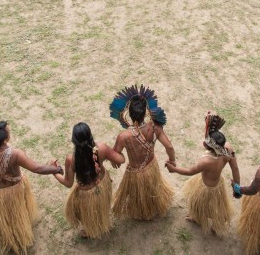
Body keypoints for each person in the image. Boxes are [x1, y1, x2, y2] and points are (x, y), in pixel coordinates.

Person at [0, 121, 63, 255]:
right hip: (15, 190)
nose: (9, 130)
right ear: (6, 138)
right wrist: (57, 169)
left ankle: (6, 236)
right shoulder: (15, 154)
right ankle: (18, 236)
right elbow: (37, 168)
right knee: (17, 214)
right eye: (8, 130)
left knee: (3, 218)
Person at [165, 112, 240, 236]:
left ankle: (204, 220)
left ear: (208, 146)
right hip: (218, 184)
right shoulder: (228, 149)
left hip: (206, 188)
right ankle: (208, 222)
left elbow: (190, 171)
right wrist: (236, 187)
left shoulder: (206, 161)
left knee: (202, 205)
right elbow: (235, 169)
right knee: (214, 207)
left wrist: (174, 169)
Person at [110, 85, 176, 221]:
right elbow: (169, 146)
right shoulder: (155, 128)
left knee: (139, 195)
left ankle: (142, 211)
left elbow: (115, 154)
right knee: (152, 189)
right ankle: (152, 207)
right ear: (145, 112)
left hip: (135, 172)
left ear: (129, 113)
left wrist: (115, 160)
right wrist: (172, 160)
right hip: (151, 166)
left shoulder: (124, 136)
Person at [52, 122, 125, 239]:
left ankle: (89, 230)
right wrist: (115, 154)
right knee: (103, 205)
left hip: (85, 194)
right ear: (90, 136)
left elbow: (68, 183)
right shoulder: (101, 148)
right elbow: (121, 160)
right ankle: (104, 223)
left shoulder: (71, 159)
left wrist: (54, 172)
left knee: (86, 214)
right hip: (102, 184)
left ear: (74, 140)